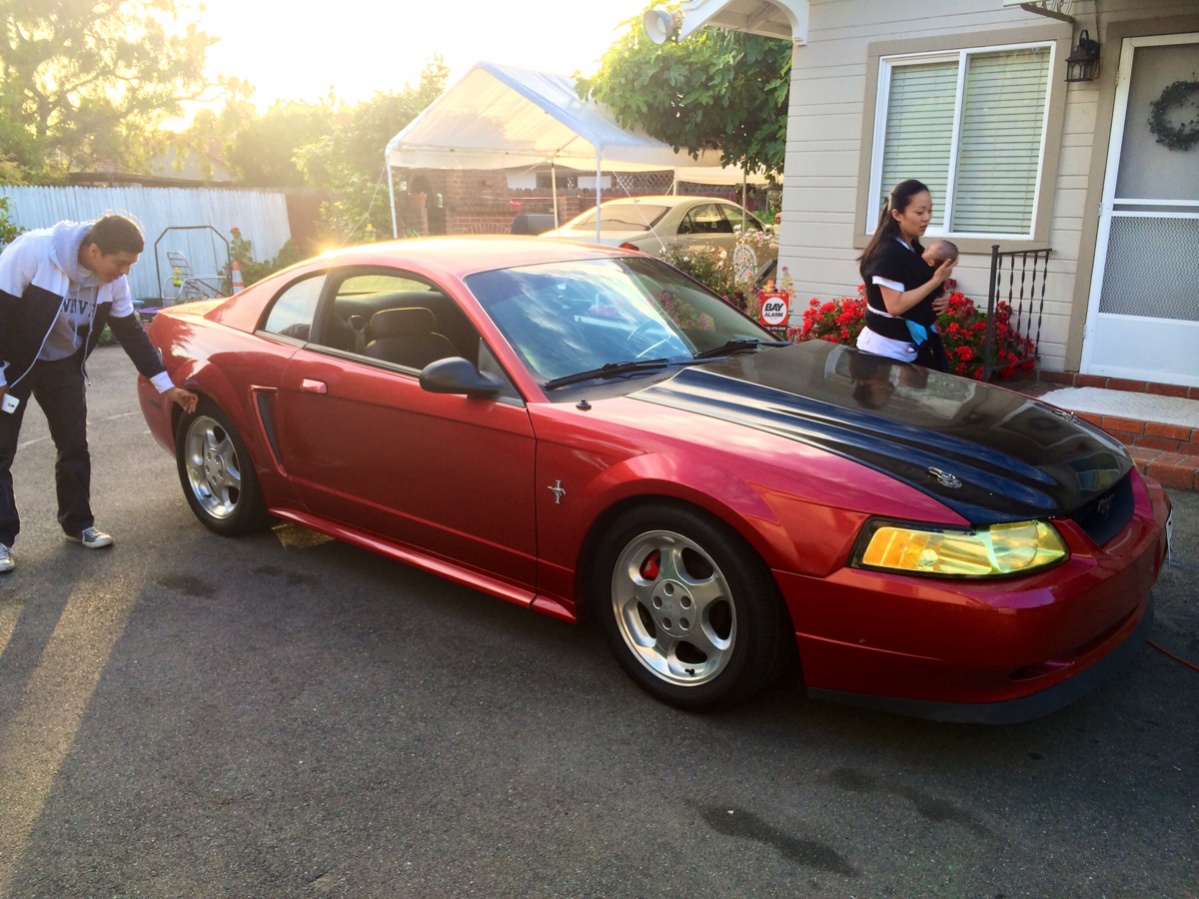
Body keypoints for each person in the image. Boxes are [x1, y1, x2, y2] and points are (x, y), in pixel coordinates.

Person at [0, 214, 198, 573]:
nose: (125, 272)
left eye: (130, 265)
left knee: (74, 445)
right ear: (94, 250)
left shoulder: (113, 282)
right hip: (15, 363)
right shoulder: (34, 252)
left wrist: (167, 387)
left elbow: (130, 333)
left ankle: (78, 525)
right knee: (1, 450)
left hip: (63, 365)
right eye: (120, 263)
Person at [855, 180, 956, 371]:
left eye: (929, 211)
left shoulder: (914, 248)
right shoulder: (887, 253)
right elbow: (895, 306)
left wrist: (942, 297)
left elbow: (920, 283)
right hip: (883, 353)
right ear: (897, 214)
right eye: (919, 212)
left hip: (909, 352)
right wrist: (936, 280)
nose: (926, 218)